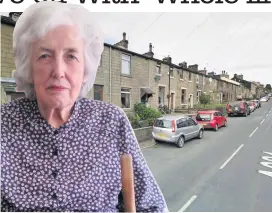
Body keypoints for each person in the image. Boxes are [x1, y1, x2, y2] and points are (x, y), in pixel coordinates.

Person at [0, 2, 168, 212]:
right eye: (45, 55)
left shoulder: (111, 121)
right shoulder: (3, 123)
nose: (59, 71)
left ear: (85, 69)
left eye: (71, 56)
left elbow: (151, 206)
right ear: (28, 66)